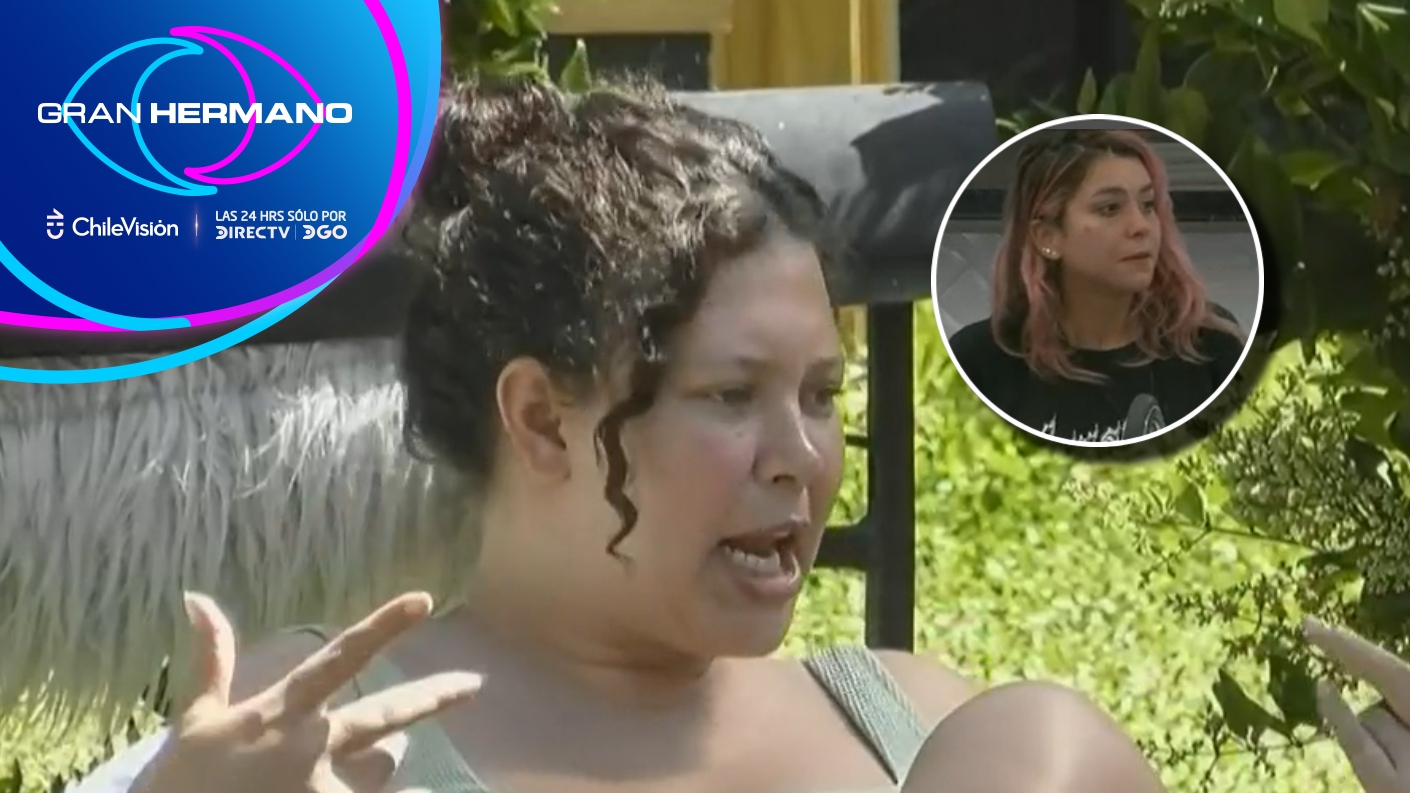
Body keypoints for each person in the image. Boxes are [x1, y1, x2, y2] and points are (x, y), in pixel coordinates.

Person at [67, 77, 1407, 793]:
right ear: (540, 417)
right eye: (727, 394)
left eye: (820, 396)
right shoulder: (323, 741)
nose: (800, 458)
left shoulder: (926, 721)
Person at [947, 128, 1246, 443]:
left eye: (1148, 205)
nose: (1141, 227)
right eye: (1110, 208)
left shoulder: (1210, 347)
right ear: (1048, 237)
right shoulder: (980, 362)